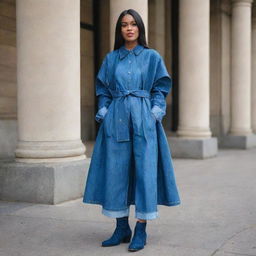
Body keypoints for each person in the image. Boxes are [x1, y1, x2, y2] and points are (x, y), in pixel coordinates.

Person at [83, 9, 181, 252]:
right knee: (117, 172)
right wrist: (104, 113)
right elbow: (103, 89)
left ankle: (141, 229)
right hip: (115, 119)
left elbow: (160, 88)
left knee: (145, 172)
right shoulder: (111, 59)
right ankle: (120, 227)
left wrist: (154, 114)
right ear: (120, 30)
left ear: (140, 28)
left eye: (133, 24)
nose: (129, 28)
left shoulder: (151, 57)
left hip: (143, 119)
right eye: (124, 25)